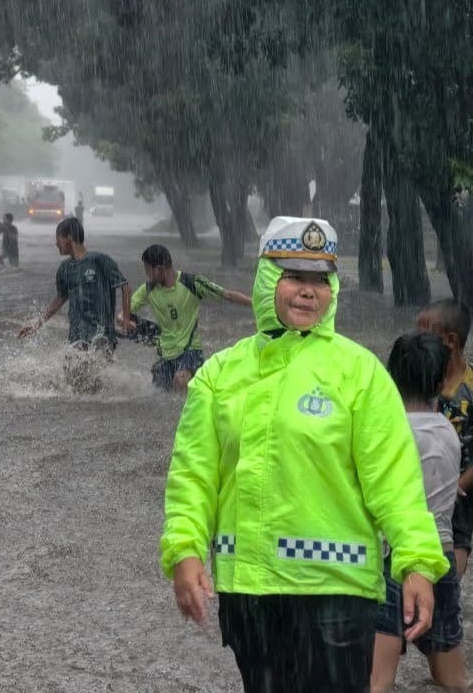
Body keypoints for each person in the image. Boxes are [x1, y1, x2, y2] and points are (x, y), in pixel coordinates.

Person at [161, 216, 448, 693]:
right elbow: (192, 477)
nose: (308, 292)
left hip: (337, 597)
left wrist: (418, 560)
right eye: (294, 276)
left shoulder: (360, 374)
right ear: (268, 278)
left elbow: (395, 481)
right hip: (249, 596)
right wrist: (185, 551)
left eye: (321, 280)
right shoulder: (218, 375)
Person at [371, 331, 465, 693]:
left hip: (393, 557)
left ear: (390, 375)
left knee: (377, 683)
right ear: (443, 380)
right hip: (438, 558)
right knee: (452, 680)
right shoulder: (447, 432)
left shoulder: (385, 433)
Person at [125, 244, 251, 391]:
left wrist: (255, 304)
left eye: (148, 270)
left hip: (191, 351)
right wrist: (124, 319)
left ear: (159, 269)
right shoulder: (148, 289)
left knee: (180, 379)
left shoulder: (191, 282)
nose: (147, 275)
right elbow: (126, 313)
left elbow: (227, 295)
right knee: (160, 393)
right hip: (166, 353)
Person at [417, 299, 473, 576]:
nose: (416, 340)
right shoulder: (420, 380)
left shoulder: (470, 388)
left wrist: (455, 488)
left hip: (460, 496)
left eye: (424, 333)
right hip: (420, 488)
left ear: (450, 340)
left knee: (450, 568)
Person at [17, 217, 131, 351]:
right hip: (76, 335)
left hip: (101, 335)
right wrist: (37, 323)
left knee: (84, 367)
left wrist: (126, 320)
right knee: (70, 369)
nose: (56, 243)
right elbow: (60, 299)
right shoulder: (64, 269)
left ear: (69, 237)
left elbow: (125, 287)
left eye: (58, 238)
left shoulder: (100, 260)